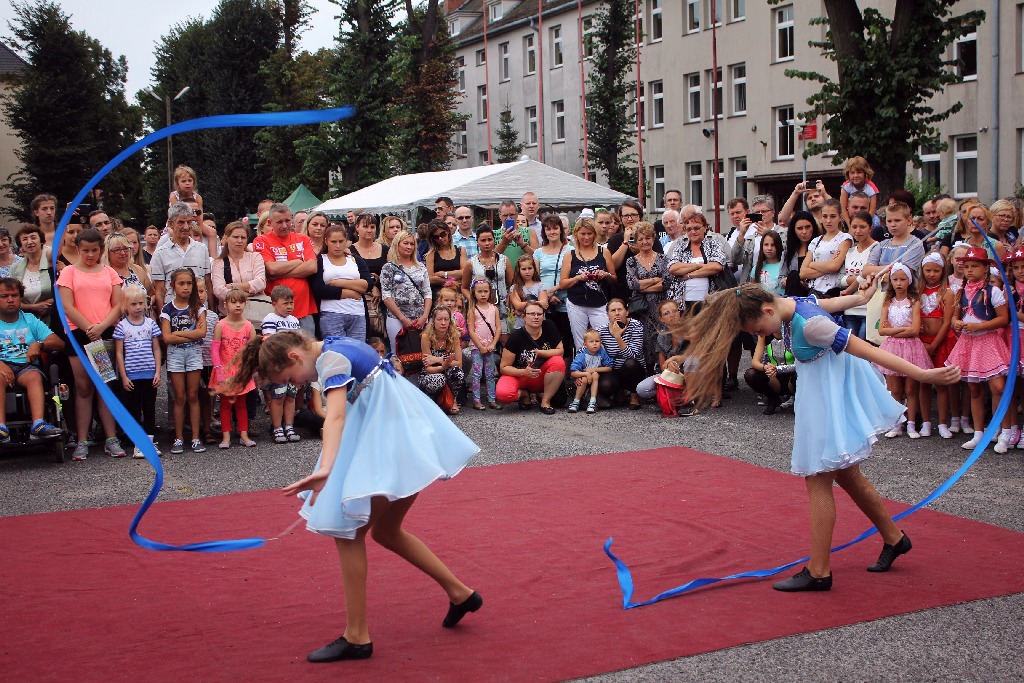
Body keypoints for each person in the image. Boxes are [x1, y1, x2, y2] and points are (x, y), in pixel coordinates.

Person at [677, 282, 960, 591]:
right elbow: (830, 303)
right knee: (846, 473)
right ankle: (894, 538)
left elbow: (863, 348)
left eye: (758, 329)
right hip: (821, 392)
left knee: (818, 477)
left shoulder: (811, 327)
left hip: (829, 396)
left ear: (768, 310)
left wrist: (921, 374)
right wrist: (862, 297)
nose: (762, 335)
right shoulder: (789, 303)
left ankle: (819, 571)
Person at [222, 330, 480, 662]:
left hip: (393, 443)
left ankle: (357, 637)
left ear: (294, 357)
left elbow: (337, 417)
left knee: (348, 533)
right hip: (406, 437)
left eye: (291, 378)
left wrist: (326, 469)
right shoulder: (335, 344)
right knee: (386, 532)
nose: (298, 385)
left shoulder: (331, 359)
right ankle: (461, 594)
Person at [55, 228, 126, 460]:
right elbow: (67, 306)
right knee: (83, 387)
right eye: (85, 250)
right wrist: (88, 328)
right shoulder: (68, 273)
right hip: (79, 334)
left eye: (94, 250)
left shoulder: (109, 273)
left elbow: (117, 305)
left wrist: (102, 327)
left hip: (104, 333)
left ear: (101, 250)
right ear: (78, 249)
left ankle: (110, 438)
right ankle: (82, 439)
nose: (90, 254)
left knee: (105, 386)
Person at [945, 247, 1014, 452]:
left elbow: (1003, 318)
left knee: (999, 388)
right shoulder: (961, 291)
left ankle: (1005, 431)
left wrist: (980, 326)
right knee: (974, 388)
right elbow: (955, 316)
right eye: (966, 267)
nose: (969, 270)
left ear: (986, 269)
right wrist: (956, 322)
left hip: (988, 342)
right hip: (969, 343)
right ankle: (979, 433)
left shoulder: (993, 292)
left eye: (975, 266)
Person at [0, 277, 64, 442]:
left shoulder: (30, 320)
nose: (10, 300)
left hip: (26, 366)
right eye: (4, 296)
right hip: (2, 367)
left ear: (21, 297)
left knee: (34, 376)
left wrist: (38, 344)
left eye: (14, 295)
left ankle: (38, 424)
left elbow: (58, 342)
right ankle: (1, 428)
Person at [876, 264, 932, 439]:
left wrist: (893, 330)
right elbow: (882, 330)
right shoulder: (887, 302)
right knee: (894, 388)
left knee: (911, 388)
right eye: (895, 279)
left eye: (902, 279)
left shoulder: (914, 301)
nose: (899, 283)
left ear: (909, 281)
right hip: (892, 347)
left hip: (911, 347)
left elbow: (915, 330)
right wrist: (898, 331)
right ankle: (896, 423)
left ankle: (912, 423)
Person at [160, 268, 208, 455]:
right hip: (176, 355)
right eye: (181, 283)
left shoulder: (198, 307)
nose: (186, 287)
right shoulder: (167, 309)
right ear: (173, 285)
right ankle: (179, 438)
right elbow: (166, 338)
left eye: (189, 283)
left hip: (194, 353)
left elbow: (201, 333)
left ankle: (195, 437)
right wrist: (190, 335)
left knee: (193, 395)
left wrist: (177, 333)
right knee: (179, 397)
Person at [252, 203, 318, 336]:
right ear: (270, 222)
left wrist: (280, 271)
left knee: (307, 351)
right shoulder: (261, 241)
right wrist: (298, 261)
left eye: (287, 220)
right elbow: (271, 269)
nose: (284, 225)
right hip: (276, 312)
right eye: (279, 222)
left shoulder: (303, 239)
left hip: (304, 308)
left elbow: (312, 267)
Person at [113, 285, 162, 458]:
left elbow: (156, 349)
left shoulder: (151, 324)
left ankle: (149, 441)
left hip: (149, 374)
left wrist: (157, 372)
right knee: (134, 409)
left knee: (149, 409)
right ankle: (138, 444)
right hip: (132, 375)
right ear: (125, 306)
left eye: (141, 303)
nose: (138, 307)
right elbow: (119, 353)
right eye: (133, 304)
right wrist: (124, 377)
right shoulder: (121, 326)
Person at [497, 301, 566, 413]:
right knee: (503, 394)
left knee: (558, 361)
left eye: (539, 314)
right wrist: (524, 372)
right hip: (520, 375)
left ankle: (545, 401)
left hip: (541, 374)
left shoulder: (549, 326)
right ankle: (524, 394)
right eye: (532, 314)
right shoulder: (516, 337)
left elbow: (560, 351)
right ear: (524, 317)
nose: (536, 317)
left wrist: (540, 353)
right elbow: (503, 368)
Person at [210, 289, 257, 449]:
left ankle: (244, 434)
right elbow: (215, 349)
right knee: (225, 404)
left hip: (241, 372)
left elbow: (253, 350)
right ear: (225, 305)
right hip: (224, 371)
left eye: (241, 302)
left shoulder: (248, 326)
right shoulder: (220, 325)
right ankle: (226, 436)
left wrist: (249, 368)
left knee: (242, 404)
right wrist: (218, 370)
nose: (238, 305)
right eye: (233, 302)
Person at [917, 252, 957, 439]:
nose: (932, 274)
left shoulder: (947, 292)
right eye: (928, 270)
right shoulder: (916, 293)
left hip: (940, 343)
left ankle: (942, 422)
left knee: (941, 385)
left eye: (936, 270)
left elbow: (947, 322)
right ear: (922, 271)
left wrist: (934, 345)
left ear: (943, 271)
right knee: (923, 383)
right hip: (921, 343)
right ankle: (926, 422)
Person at [560, 218, 615, 349]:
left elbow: (614, 279)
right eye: (583, 233)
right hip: (576, 303)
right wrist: (577, 278)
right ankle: (582, 368)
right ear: (576, 235)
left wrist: (605, 275)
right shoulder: (570, 255)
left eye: (589, 233)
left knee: (603, 340)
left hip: (599, 302)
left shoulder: (604, 252)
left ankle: (601, 367)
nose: (586, 237)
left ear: (594, 234)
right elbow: (562, 284)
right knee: (580, 342)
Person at [151, 203, 214, 311]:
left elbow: (207, 283)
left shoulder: (202, 248)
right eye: (181, 222)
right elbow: (159, 291)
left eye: (189, 222)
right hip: (172, 314)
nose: (185, 226)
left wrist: (212, 310)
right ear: (170, 224)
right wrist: (163, 318)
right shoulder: (160, 253)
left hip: (199, 311)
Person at [313, 224, 370, 342]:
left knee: (357, 352)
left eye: (341, 241)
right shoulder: (320, 261)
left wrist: (338, 282)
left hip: (357, 312)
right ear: (326, 241)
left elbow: (367, 284)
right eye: (333, 241)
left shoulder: (355, 260)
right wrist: (349, 293)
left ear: (346, 241)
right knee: (337, 352)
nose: (338, 246)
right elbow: (318, 289)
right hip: (331, 312)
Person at [262, 285, 303, 444]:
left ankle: (289, 426)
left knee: (291, 396)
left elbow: (299, 342)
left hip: (293, 367)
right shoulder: (270, 320)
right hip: (279, 367)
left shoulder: (294, 320)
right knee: (278, 397)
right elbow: (271, 342)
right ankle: (277, 427)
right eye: (285, 303)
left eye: (291, 303)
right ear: (274, 304)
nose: (289, 307)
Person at [380, 229, 431, 353]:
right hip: (397, 318)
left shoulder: (420, 267)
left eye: (412, 244)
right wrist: (402, 318)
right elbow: (386, 295)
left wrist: (425, 316)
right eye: (405, 243)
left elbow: (427, 292)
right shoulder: (389, 267)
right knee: (397, 352)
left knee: (423, 351)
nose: (409, 247)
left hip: (420, 317)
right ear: (397, 244)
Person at [625, 221, 667, 369]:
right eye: (640, 239)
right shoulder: (631, 261)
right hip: (641, 310)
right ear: (636, 241)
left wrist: (643, 285)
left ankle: (664, 376)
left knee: (662, 339)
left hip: (660, 307)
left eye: (648, 238)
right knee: (644, 341)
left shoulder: (662, 259)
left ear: (653, 238)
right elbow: (633, 285)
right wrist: (655, 279)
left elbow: (666, 283)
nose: (644, 242)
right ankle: (648, 376)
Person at [666, 212, 726, 312]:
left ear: (705, 227)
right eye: (689, 229)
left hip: (709, 301)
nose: (693, 232)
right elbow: (673, 268)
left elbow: (716, 266)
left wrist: (689, 275)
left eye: (697, 228)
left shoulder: (714, 244)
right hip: (683, 302)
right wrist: (698, 265)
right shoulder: (680, 246)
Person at [461, 226, 512, 340]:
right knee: (484, 341)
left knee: (504, 341)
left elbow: (512, 284)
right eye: (483, 240)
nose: (487, 243)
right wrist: (473, 300)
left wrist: (510, 299)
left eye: (489, 239)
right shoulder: (471, 263)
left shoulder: (504, 260)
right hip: (481, 309)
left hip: (502, 307)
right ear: (477, 242)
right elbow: (464, 287)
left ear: (494, 240)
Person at [533, 215, 573, 358]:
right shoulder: (538, 252)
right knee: (547, 339)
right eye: (548, 229)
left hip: (566, 301)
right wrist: (547, 296)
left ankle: (567, 375)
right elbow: (535, 279)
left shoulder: (571, 250)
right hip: (545, 302)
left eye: (555, 228)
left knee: (566, 339)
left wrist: (556, 290)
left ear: (561, 230)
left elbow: (572, 276)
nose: (552, 232)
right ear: (544, 232)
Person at [597, 299, 647, 409]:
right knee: (606, 385)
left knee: (630, 363)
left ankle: (634, 397)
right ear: (607, 314)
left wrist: (618, 337)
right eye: (613, 310)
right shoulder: (602, 330)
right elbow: (588, 349)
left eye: (620, 309)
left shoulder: (636, 326)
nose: (617, 313)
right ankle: (619, 392)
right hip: (613, 369)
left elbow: (633, 355)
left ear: (627, 312)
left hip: (633, 368)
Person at [837, 211, 879, 339]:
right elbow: (840, 279)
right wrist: (860, 277)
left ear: (870, 228)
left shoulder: (876, 247)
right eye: (854, 227)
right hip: (849, 307)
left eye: (862, 227)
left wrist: (849, 287)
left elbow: (870, 276)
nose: (858, 231)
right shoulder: (850, 251)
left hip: (867, 308)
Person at [800, 199, 853, 299]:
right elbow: (803, 272)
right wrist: (828, 265)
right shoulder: (815, 241)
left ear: (840, 217)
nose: (828, 220)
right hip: (814, 292)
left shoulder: (845, 238)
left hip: (834, 292)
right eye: (825, 216)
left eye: (833, 216)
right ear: (820, 218)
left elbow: (834, 266)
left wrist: (812, 264)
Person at [211, 221, 267, 312]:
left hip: (256, 311)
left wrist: (233, 286)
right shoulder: (218, 263)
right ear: (226, 238)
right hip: (228, 315)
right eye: (235, 237)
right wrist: (249, 293)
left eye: (243, 237)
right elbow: (219, 291)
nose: (240, 241)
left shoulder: (256, 257)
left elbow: (260, 283)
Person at [418, 305, 464, 414]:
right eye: (439, 319)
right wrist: (443, 365)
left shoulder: (454, 336)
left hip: (446, 369)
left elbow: (459, 363)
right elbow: (428, 369)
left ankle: (453, 400)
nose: (443, 323)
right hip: (430, 374)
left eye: (446, 319)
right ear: (433, 321)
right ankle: (432, 402)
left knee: (458, 372)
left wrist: (437, 359)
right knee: (438, 378)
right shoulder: (426, 337)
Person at [862, 202, 926, 279]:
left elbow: (902, 276)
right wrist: (893, 268)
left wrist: (875, 274)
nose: (893, 224)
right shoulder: (882, 244)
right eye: (889, 221)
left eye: (897, 220)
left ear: (909, 220)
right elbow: (865, 271)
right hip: (878, 290)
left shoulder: (915, 244)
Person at [352, 215, 390, 343]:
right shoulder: (350, 250)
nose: (369, 230)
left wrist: (378, 286)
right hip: (361, 298)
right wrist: (372, 285)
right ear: (357, 228)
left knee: (384, 337)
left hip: (383, 300)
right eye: (365, 226)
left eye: (372, 227)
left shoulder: (385, 249)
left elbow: (390, 274)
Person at [11, 226, 55, 330]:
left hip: (54, 318)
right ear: (21, 245)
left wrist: (49, 303)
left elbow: (64, 292)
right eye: (25, 239)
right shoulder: (15, 268)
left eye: (33, 237)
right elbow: (13, 299)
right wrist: (33, 307)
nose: (29, 241)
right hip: (27, 321)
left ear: (41, 241)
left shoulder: (52, 262)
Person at [466, 279, 500, 411]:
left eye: (486, 291)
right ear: (474, 293)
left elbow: (497, 328)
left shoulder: (494, 309)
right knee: (477, 374)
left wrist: (493, 343)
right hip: (477, 347)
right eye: (479, 291)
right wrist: (480, 345)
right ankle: (477, 400)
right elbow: (471, 330)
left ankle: (492, 399)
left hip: (490, 346)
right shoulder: (472, 310)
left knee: (490, 373)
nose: (483, 294)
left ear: (490, 292)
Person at [567, 328, 614, 414]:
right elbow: (573, 372)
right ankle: (576, 401)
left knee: (595, 374)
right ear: (585, 344)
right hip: (583, 378)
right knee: (584, 379)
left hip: (596, 379)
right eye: (591, 342)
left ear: (601, 342)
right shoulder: (582, 355)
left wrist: (594, 369)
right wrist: (586, 374)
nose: (595, 344)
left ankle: (592, 401)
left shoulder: (602, 353)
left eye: (597, 341)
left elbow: (609, 367)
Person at [780, 211, 821, 297]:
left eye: (807, 227)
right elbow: (781, 278)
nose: (804, 232)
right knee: (793, 275)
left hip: (816, 294)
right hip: (794, 295)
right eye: (800, 228)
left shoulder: (821, 247)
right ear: (794, 230)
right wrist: (787, 281)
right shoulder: (788, 251)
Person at [425, 218, 467, 295]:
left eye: (442, 234)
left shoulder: (460, 250)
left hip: (457, 294)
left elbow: (464, 272)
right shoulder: (431, 254)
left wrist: (444, 274)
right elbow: (430, 278)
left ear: (448, 232)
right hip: (439, 295)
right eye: (436, 237)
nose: (440, 238)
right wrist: (451, 282)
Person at [105, 232, 153, 296]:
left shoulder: (138, 270)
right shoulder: (105, 274)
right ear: (108, 252)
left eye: (125, 249)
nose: (122, 253)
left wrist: (148, 302)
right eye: (117, 250)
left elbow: (152, 294)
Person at [508, 254, 548, 330]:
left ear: (534, 269)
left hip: (539, 327)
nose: (527, 272)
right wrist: (538, 303)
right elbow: (517, 305)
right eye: (523, 269)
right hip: (521, 327)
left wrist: (523, 308)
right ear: (518, 270)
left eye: (530, 268)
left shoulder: (540, 286)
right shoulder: (514, 288)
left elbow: (544, 304)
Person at [839, 156, 879, 223]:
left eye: (859, 172)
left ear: (865, 173)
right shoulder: (846, 186)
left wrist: (864, 222)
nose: (855, 175)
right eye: (852, 173)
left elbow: (872, 210)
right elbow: (843, 208)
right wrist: (849, 224)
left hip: (866, 215)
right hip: (849, 215)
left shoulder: (871, 188)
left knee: (876, 220)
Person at [751, 231, 785, 295]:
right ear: (762, 246)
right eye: (766, 244)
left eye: (773, 245)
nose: (769, 248)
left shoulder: (785, 266)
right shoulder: (756, 268)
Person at [30, 193, 58, 260]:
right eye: (44, 209)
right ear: (36, 212)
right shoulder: (32, 235)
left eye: (52, 208)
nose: (49, 212)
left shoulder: (64, 232)